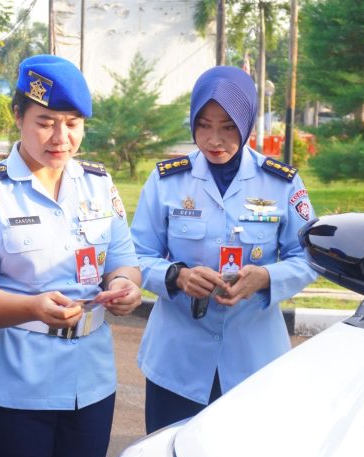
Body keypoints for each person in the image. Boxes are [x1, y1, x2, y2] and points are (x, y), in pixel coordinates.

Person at [0, 54, 143, 457]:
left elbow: (123, 259)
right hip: (9, 391)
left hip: (89, 386)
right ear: (18, 116)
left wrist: (125, 285)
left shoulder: (98, 185)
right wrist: (33, 308)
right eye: (46, 122)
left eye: (72, 123)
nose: (60, 137)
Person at [131, 66, 317, 434]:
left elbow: (310, 256)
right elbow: (136, 254)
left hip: (254, 363)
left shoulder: (281, 182)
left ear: (246, 123)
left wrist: (266, 278)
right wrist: (177, 276)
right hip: (177, 363)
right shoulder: (167, 180)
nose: (214, 139)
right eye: (203, 125)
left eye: (228, 127)